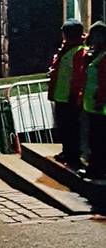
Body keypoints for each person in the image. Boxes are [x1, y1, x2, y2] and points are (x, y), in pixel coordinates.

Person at [47, 19, 86, 169]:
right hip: (61, 94)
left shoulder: (78, 51)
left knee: (72, 127)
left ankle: (73, 155)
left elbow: (77, 75)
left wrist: (75, 94)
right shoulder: (66, 49)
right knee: (63, 125)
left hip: (70, 96)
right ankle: (66, 151)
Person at [83, 21, 106, 180]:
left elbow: (104, 81)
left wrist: (100, 100)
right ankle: (94, 167)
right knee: (94, 138)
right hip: (92, 104)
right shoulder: (97, 54)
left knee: (98, 139)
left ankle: (97, 169)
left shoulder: (104, 57)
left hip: (100, 106)